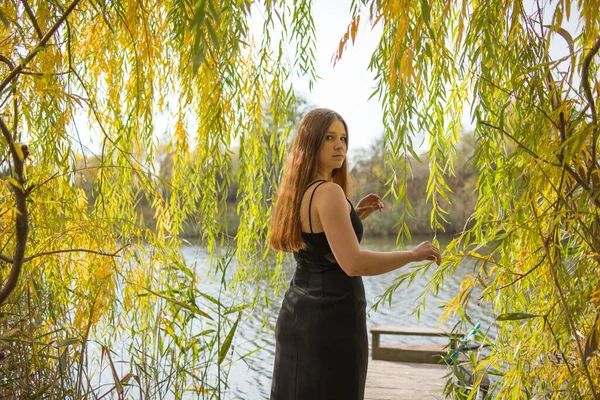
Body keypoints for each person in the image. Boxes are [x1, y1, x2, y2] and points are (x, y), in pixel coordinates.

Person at [268, 108, 442, 400]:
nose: (340, 145)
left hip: (299, 314)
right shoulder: (329, 192)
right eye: (329, 137)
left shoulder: (300, 191)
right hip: (332, 322)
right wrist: (412, 254)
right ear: (311, 142)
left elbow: (319, 242)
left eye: (343, 138)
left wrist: (355, 215)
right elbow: (352, 263)